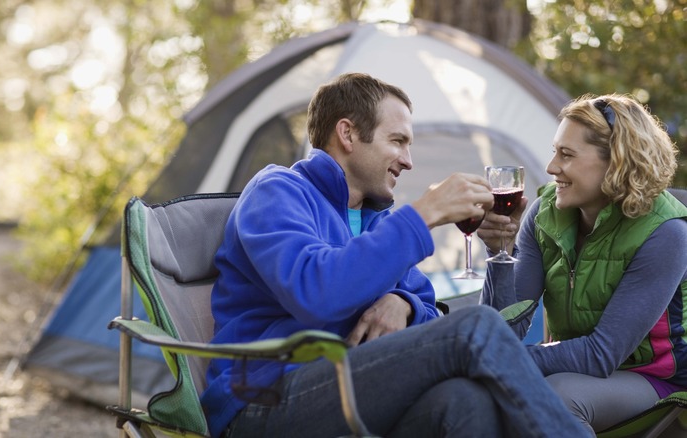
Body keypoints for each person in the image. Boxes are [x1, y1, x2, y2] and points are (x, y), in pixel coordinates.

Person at [201, 72, 590, 438]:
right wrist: (424, 214)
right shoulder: (278, 191)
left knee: (464, 401)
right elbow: (315, 291)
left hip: (345, 387)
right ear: (348, 134)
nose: (408, 160)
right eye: (398, 141)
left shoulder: (373, 218)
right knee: (476, 327)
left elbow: (428, 309)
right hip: (260, 398)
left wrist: (401, 302)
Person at [478, 93, 687, 434]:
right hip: (571, 365)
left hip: (656, 376)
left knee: (558, 396)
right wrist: (500, 250)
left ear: (617, 161)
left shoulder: (666, 233)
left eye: (567, 155)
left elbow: (602, 353)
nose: (550, 168)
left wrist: (499, 360)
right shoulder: (545, 214)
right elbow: (506, 329)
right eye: (554, 151)